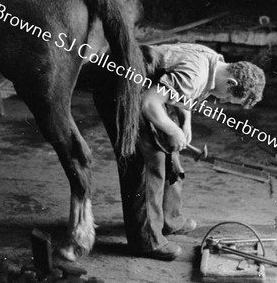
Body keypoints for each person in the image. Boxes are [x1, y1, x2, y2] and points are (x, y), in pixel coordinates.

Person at [112, 43, 266, 261]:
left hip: (151, 89)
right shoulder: (197, 73)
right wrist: (172, 129)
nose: (221, 100)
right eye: (228, 98)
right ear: (231, 82)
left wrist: (184, 125)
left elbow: (183, 93)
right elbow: (149, 103)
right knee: (150, 160)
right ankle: (146, 240)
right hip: (126, 87)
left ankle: (169, 220)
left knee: (171, 153)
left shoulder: (214, 60)